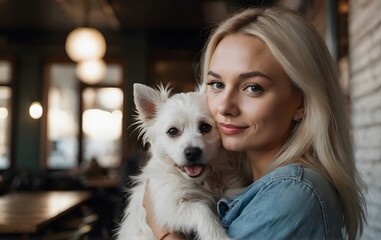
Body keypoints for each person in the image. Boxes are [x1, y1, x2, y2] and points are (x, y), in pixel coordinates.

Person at [143, 6, 366, 240]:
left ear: (301, 103)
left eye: (253, 88)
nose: (224, 107)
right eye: (217, 84)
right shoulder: (250, 182)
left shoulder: (293, 194)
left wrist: (163, 231)